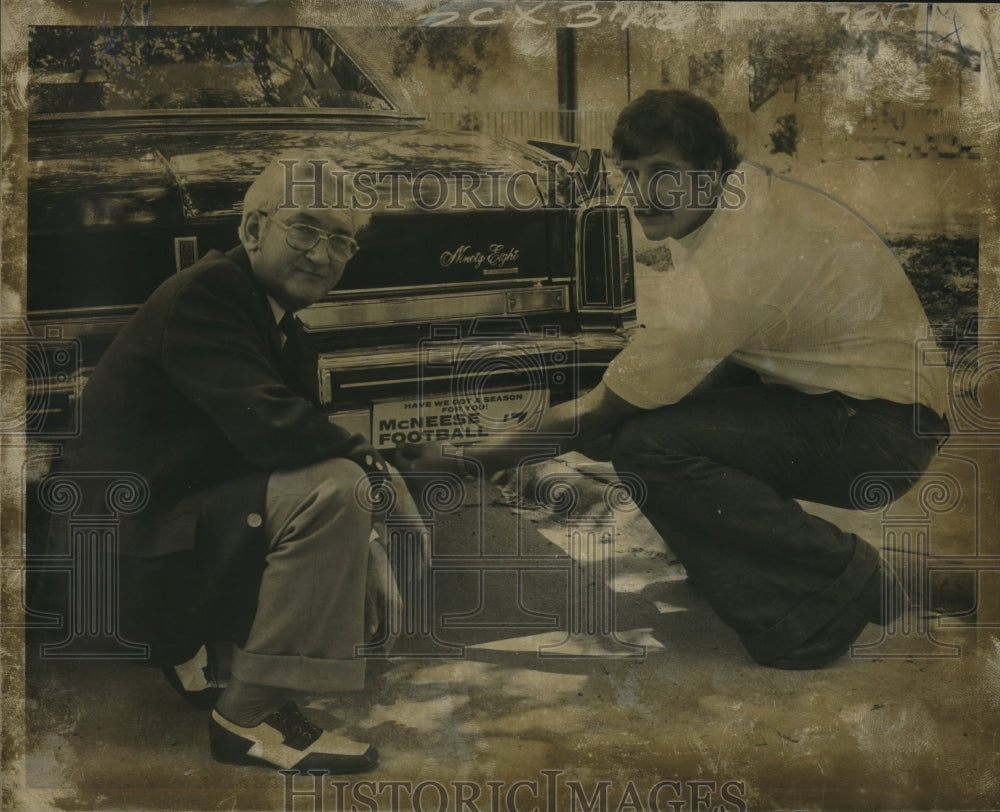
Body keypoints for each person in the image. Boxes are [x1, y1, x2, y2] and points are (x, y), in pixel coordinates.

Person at [396, 89, 950, 670]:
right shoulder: (742, 199)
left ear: (711, 169)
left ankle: (836, 583)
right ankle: (745, 569)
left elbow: (598, 411)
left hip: (880, 434)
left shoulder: (736, 256)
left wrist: (459, 461)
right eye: (630, 173)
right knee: (641, 424)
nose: (641, 193)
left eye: (665, 172)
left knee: (646, 443)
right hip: (861, 407)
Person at [49, 156, 424, 772]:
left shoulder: (279, 324)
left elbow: (273, 444)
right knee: (337, 491)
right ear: (252, 230)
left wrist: (370, 542)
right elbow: (275, 430)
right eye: (305, 229)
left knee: (336, 492)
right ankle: (247, 718)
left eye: (341, 241)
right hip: (112, 559)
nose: (322, 253)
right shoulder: (210, 292)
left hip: (150, 533)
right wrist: (378, 477)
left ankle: (196, 653)